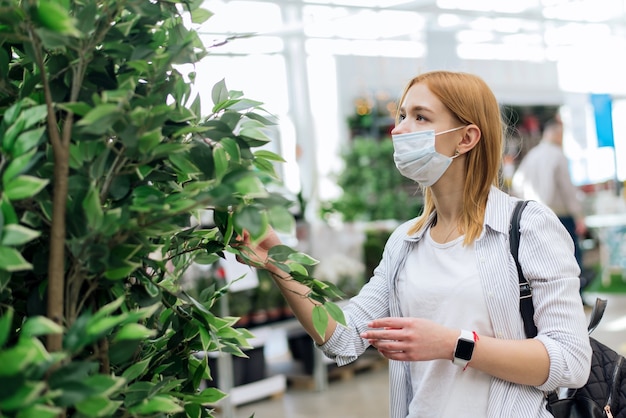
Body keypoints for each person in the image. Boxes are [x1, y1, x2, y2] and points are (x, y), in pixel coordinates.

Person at [237, 70, 592, 417]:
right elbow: (342, 339)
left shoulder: (528, 227)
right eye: (402, 115)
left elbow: (571, 361)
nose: (399, 129)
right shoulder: (405, 243)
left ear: (466, 138)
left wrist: (453, 344)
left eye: (421, 117)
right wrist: (276, 262)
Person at [511, 118, 589, 285]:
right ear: (557, 134)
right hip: (560, 216)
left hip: (533, 215)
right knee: (569, 259)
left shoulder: (532, 155)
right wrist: (579, 216)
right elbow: (567, 189)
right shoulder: (558, 155)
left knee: (546, 261)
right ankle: (576, 296)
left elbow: (517, 183)